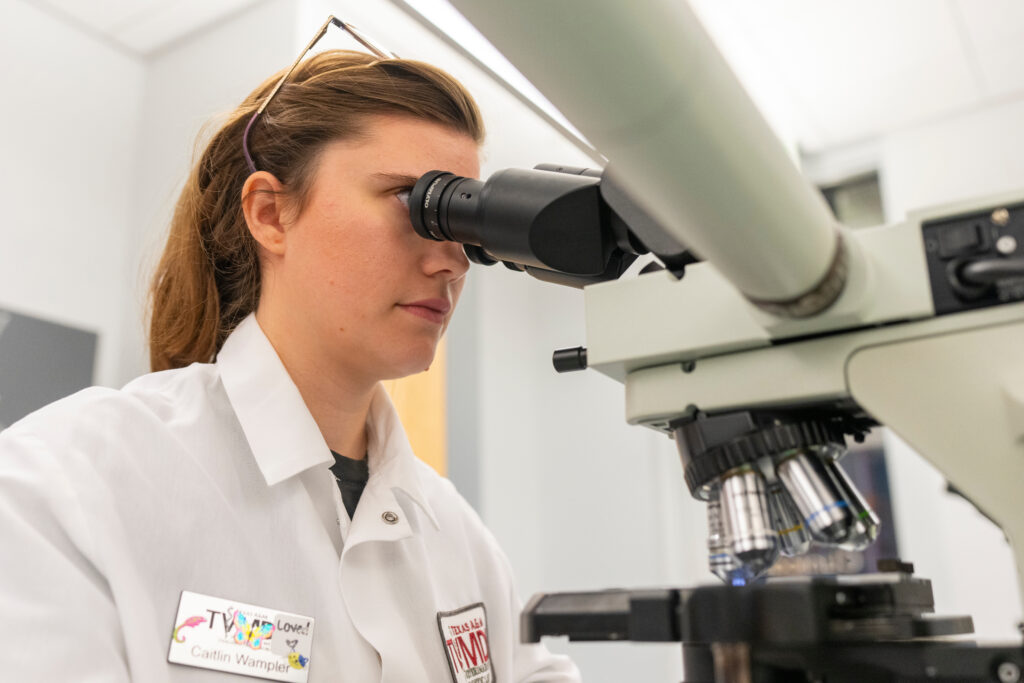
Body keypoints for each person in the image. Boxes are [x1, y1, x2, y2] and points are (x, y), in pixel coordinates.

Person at [0, 19, 580, 683]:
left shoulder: (460, 540)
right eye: (413, 201)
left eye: (466, 221)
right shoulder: (70, 483)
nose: (451, 258)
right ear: (272, 214)